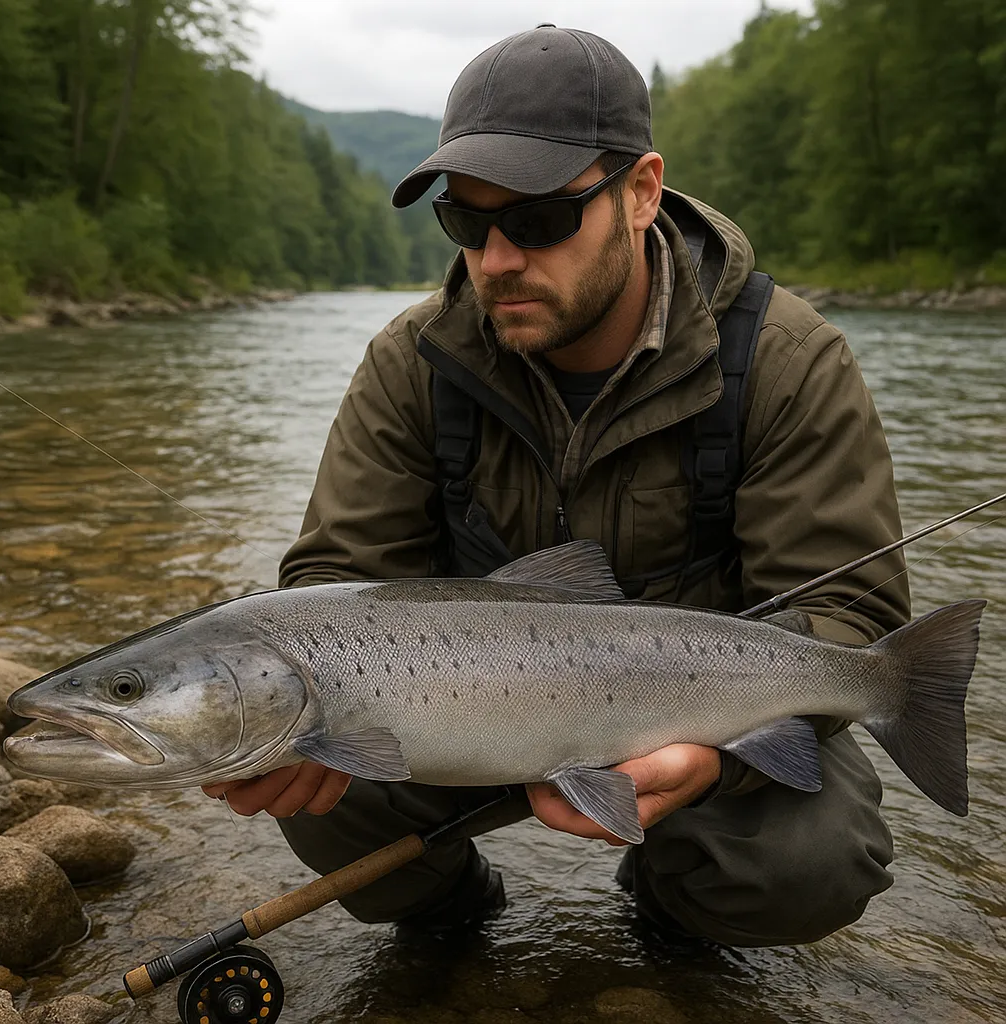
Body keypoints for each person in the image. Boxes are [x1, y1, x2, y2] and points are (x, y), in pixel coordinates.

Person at [203, 24, 911, 946]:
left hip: (690, 718)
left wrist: (715, 763)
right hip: (454, 723)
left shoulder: (785, 361)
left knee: (814, 860)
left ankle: (668, 903)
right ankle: (451, 912)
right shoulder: (410, 362)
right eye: (467, 222)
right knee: (322, 787)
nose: (498, 259)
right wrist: (283, 725)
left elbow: (851, 610)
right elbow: (333, 582)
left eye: (538, 220)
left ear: (641, 194)